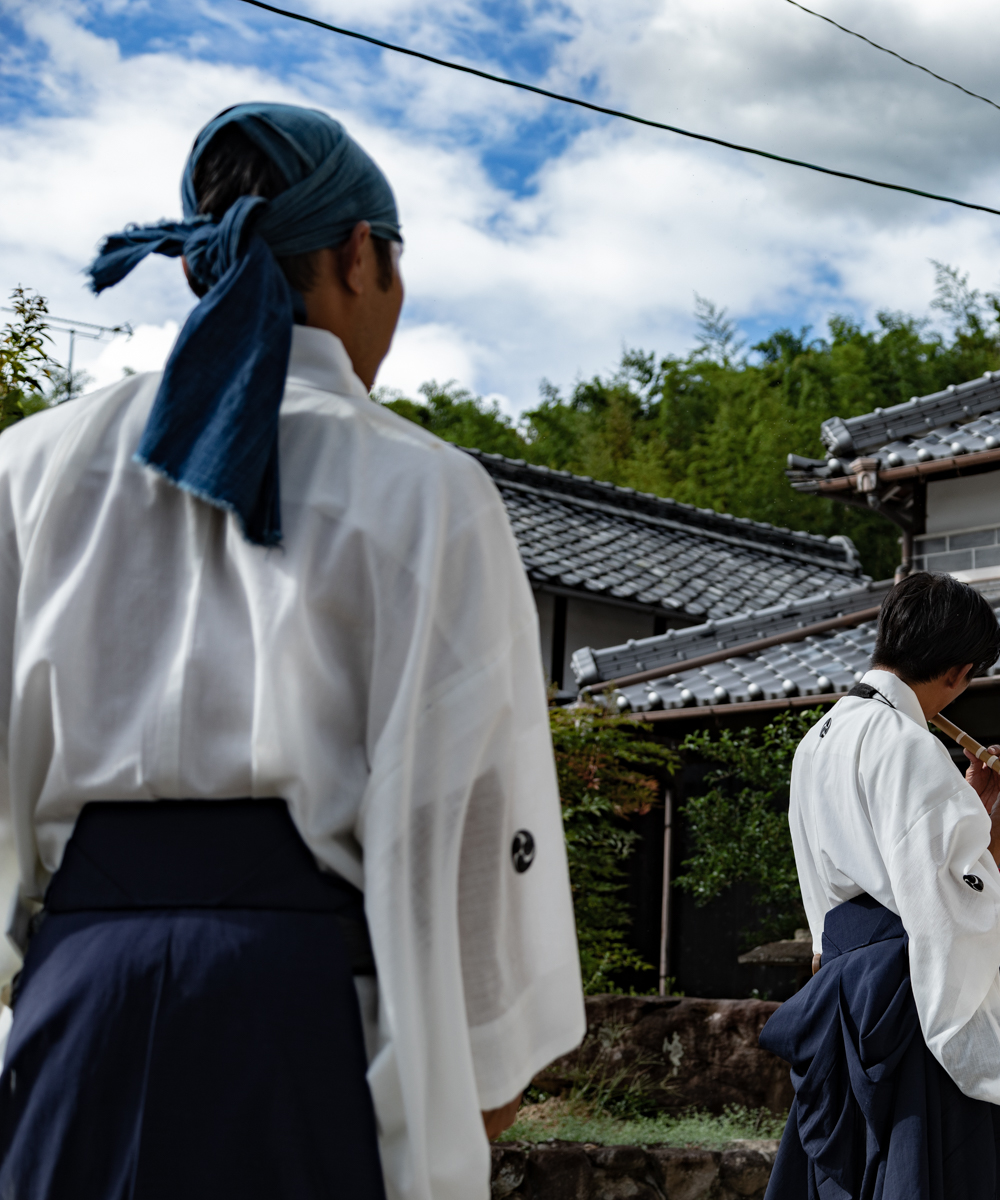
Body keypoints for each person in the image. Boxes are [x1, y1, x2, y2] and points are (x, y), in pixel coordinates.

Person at [0, 103, 585, 1200]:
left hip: (70, 1005)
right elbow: (469, 806)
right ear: (360, 254)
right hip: (302, 1017)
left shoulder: (27, 470)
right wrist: (474, 1083)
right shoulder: (424, 489)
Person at [760, 571, 1000, 1200]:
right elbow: (946, 905)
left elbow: (879, 877)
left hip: (845, 989)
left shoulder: (816, 740)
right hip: (905, 997)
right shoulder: (909, 744)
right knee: (931, 1173)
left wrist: (971, 810)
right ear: (961, 671)